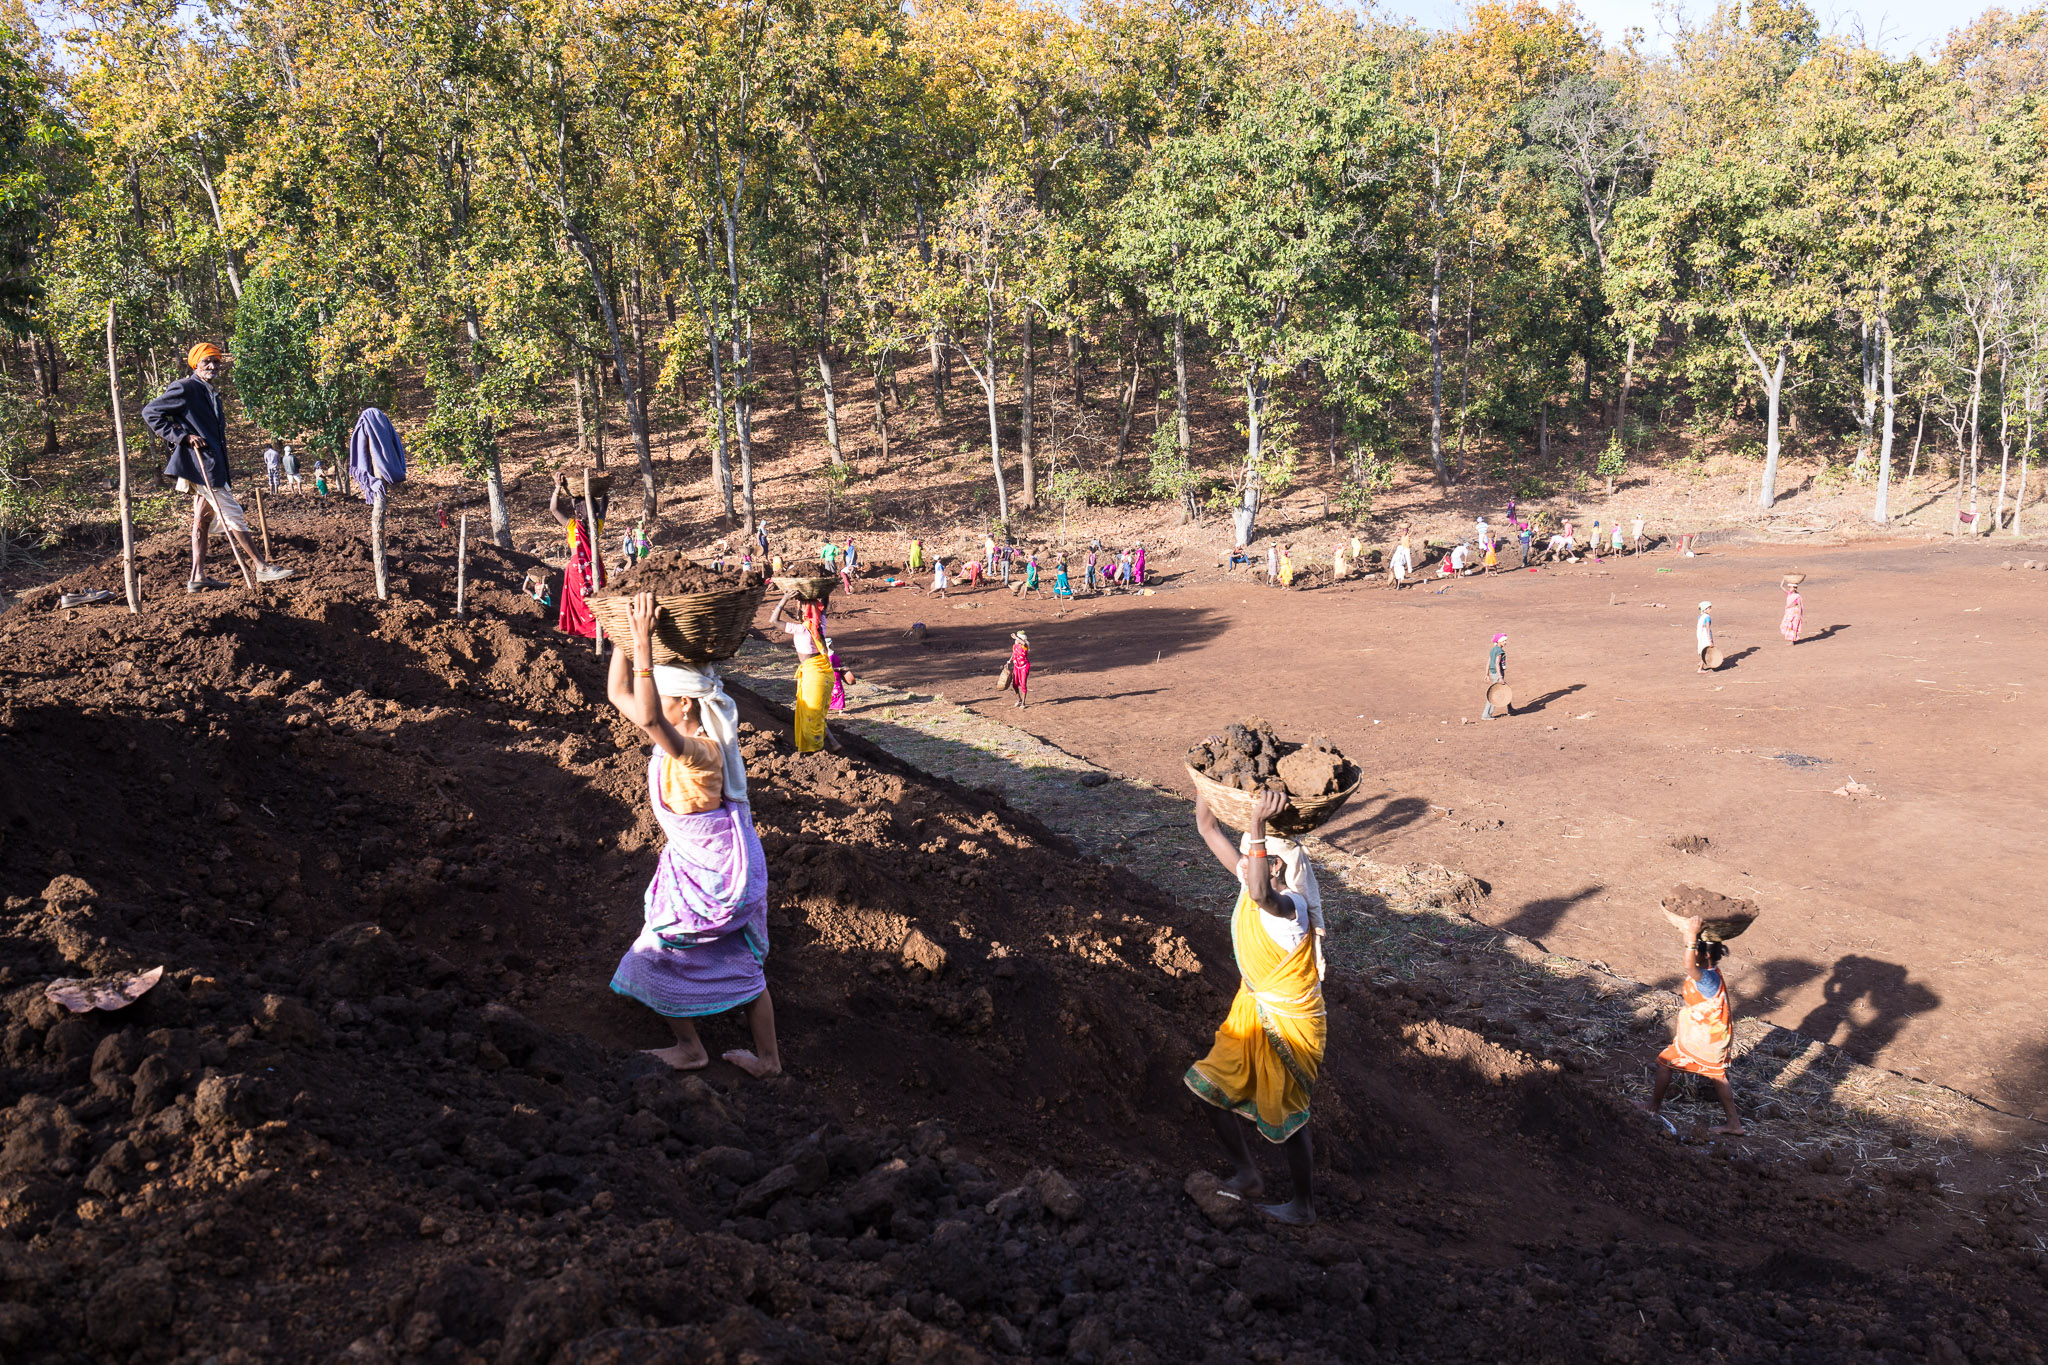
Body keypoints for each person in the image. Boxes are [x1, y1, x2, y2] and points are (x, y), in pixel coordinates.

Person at [605, 593, 781, 1079]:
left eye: (661, 695)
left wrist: (642, 640)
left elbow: (645, 716)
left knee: (657, 953)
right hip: (695, 865)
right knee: (735, 957)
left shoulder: (699, 751)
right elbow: (620, 695)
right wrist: (624, 634)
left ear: (683, 704)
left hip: (717, 873)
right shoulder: (677, 735)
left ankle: (700, 1050)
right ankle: (752, 1057)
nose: (652, 703)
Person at [1185, 786, 1325, 1225]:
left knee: (1288, 1115)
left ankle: (1303, 1207)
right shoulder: (1253, 880)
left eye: (1252, 855)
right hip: (1253, 1010)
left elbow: (1265, 895)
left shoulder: (1290, 908)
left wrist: (1257, 827)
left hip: (1289, 1022)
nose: (1242, 862)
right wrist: (1208, 786)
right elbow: (1206, 828)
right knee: (1208, 1087)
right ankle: (1248, 1174)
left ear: (1275, 864)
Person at [141, 343, 296, 592]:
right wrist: (182, 437)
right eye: (206, 362)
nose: (212, 366)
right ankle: (262, 567)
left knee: (202, 521)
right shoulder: (186, 387)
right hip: (201, 465)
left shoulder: (210, 393)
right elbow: (151, 412)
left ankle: (198, 576)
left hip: (213, 463)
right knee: (232, 512)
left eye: (216, 362)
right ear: (195, 365)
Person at [1639, 910, 1742, 1136]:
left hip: (1706, 1039)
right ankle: (1733, 1123)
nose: (1691, 954)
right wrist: (1692, 936)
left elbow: (1688, 966)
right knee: (1716, 1075)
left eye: (1695, 951)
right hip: (1707, 1036)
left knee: (1666, 1062)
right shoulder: (1710, 971)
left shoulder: (1705, 978)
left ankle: (1653, 1105)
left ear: (1704, 957)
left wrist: (1690, 936)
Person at [769, 591, 837, 753]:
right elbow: (824, 607)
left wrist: (784, 599)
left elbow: (773, 620)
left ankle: (815, 750)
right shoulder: (820, 625)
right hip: (824, 672)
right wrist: (825, 592)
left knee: (811, 713)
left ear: (802, 613)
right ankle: (832, 742)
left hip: (813, 675)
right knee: (816, 712)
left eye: (799, 607)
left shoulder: (801, 629)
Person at [547, 472, 608, 639]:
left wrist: (558, 487)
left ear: (577, 512)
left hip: (576, 569)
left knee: (579, 604)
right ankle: (600, 635)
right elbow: (603, 509)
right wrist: (604, 492)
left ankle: (582, 633)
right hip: (595, 566)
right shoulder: (597, 526)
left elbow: (553, 509)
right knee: (596, 601)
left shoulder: (572, 525)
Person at [1482, 633, 1508, 719]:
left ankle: (1510, 709)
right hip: (1497, 674)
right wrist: (1500, 677)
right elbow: (1497, 664)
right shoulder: (1500, 651)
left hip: (1493, 673)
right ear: (1499, 641)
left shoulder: (1493, 650)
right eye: (1503, 640)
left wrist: (1487, 674)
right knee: (1494, 693)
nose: (1505, 642)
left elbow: (1488, 662)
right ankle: (1486, 714)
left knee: (1505, 689)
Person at [1005, 631, 1031, 708]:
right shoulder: (1015, 646)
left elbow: (1023, 643)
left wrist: (1016, 637)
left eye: (1019, 638)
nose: (1016, 639)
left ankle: (1023, 702)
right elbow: (1013, 653)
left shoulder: (1025, 645)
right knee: (1015, 684)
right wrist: (1009, 661)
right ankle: (1019, 699)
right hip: (1016, 667)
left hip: (1024, 667)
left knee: (1023, 684)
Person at [1780, 581, 1803, 645]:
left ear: (1795, 588)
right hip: (1789, 612)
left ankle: (1792, 641)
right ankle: (1791, 639)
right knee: (1788, 625)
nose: (1789, 589)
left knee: (1793, 625)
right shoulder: (1789, 594)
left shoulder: (1797, 596)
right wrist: (1783, 580)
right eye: (1789, 587)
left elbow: (1800, 605)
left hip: (1795, 612)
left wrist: (1800, 615)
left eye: (1791, 587)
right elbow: (1781, 587)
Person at [1696, 601, 1714, 672]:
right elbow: (1707, 628)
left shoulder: (1700, 617)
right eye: (1709, 608)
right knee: (1706, 650)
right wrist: (1710, 640)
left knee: (1702, 648)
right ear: (1705, 609)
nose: (1710, 610)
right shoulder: (1707, 617)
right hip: (1705, 635)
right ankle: (1700, 668)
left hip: (1700, 634)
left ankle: (1700, 663)